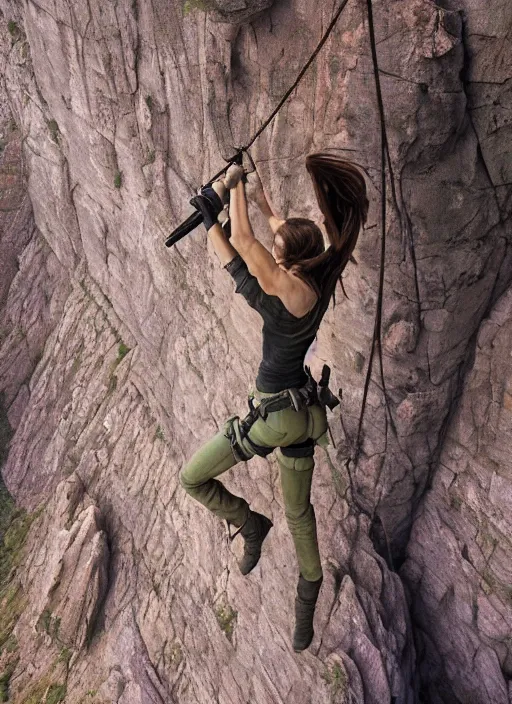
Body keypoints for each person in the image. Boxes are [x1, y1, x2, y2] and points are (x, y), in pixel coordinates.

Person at [179, 153, 368, 652]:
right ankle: (308, 599)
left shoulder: (289, 292)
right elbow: (258, 248)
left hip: (275, 418)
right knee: (300, 515)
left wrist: (233, 184)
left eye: (278, 252)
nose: (275, 255)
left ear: (287, 260)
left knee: (192, 478)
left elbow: (246, 247)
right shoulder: (319, 274)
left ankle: (247, 522)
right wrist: (221, 213)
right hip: (305, 414)